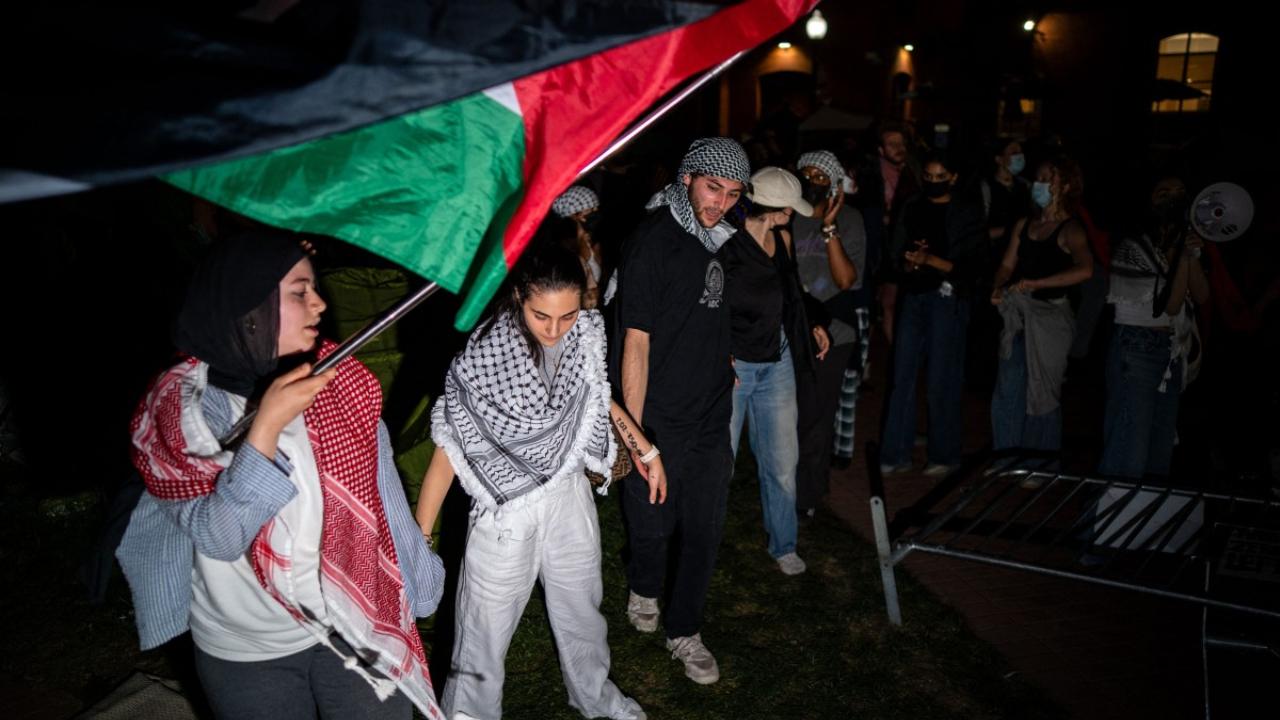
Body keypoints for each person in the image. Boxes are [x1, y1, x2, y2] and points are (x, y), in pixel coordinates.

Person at [118, 231, 446, 720]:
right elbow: (221, 535)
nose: (319, 303)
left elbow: (382, 494)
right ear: (249, 305)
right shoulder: (182, 409)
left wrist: (418, 575)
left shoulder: (339, 379)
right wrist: (268, 425)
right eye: (299, 292)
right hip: (248, 649)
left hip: (351, 622)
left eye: (314, 288)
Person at [416, 242, 664, 720]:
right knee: (483, 636)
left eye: (567, 316)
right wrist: (421, 536)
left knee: (583, 615)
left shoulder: (583, 335)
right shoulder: (482, 355)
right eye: (541, 316)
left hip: (568, 494)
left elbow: (599, 398)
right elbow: (450, 445)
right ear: (517, 296)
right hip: (507, 510)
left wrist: (646, 450)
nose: (555, 330)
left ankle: (596, 699)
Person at [611, 137, 750, 685]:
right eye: (712, 187)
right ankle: (644, 584)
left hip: (713, 409)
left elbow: (712, 310)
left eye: (732, 193)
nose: (719, 202)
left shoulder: (719, 238)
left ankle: (685, 629)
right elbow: (636, 342)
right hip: (660, 411)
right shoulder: (652, 241)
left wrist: (726, 356)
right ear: (688, 177)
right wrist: (637, 436)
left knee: (705, 526)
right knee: (651, 523)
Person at [723, 166, 829, 575]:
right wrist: (719, 356)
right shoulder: (726, 242)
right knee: (721, 463)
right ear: (775, 207)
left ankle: (784, 544)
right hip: (735, 366)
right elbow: (710, 305)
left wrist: (812, 323)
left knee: (782, 460)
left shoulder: (782, 239)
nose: (794, 214)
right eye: (789, 207)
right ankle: (702, 540)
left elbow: (792, 295)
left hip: (778, 360)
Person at [879, 151, 984, 477]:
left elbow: (974, 265)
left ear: (953, 177)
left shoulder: (966, 211)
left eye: (941, 177)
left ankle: (945, 454)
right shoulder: (912, 205)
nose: (933, 183)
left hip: (947, 299)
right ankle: (896, 453)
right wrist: (908, 263)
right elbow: (896, 252)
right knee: (902, 377)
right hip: (915, 295)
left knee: (943, 378)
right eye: (929, 176)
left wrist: (932, 262)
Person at [1098, 176, 1209, 478]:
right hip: (1136, 349)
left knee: (1158, 455)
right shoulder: (1133, 247)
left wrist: (1190, 255)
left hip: (1169, 354)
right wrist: (1184, 258)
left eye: (1179, 194)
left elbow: (1201, 294)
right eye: (1164, 193)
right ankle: (1107, 523)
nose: (1173, 200)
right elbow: (1170, 305)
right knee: (1128, 452)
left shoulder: (1179, 243)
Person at [989, 156, 1093, 465]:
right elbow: (1007, 265)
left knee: (1042, 393)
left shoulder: (1071, 229)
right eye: (1039, 177)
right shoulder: (1025, 223)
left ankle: (1040, 465)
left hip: (1050, 319)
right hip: (1019, 317)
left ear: (1067, 185)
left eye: (1049, 178)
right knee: (1008, 388)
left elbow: (1086, 270)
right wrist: (998, 286)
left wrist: (1038, 283)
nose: (1040, 184)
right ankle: (1006, 461)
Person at [790, 150, 868, 494]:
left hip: (835, 331)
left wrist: (829, 227)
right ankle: (784, 489)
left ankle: (809, 494)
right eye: (806, 175)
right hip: (794, 327)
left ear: (835, 183)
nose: (812, 183)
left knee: (818, 420)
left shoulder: (850, 220)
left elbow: (846, 280)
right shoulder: (788, 216)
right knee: (790, 417)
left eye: (820, 177)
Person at [552, 186, 605, 307]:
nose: (596, 212)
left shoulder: (594, 241)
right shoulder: (563, 251)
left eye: (597, 208)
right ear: (574, 215)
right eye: (591, 209)